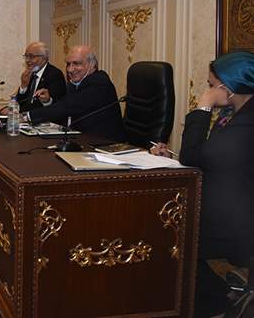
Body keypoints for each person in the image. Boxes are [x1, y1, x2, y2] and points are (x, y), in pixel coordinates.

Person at [151, 51, 254, 317]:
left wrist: (203, 106)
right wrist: (170, 157)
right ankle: (222, 294)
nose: (208, 90)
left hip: (239, 221)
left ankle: (217, 304)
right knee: (165, 227)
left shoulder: (247, 121)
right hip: (225, 203)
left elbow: (194, 156)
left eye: (211, 85)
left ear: (228, 87)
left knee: (171, 238)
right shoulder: (232, 114)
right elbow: (204, 158)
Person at [27, 45, 126, 142]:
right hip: (81, 139)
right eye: (68, 64)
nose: (70, 69)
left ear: (91, 65)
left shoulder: (99, 81)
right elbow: (65, 108)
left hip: (104, 144)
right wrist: (48, 102)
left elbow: (68, 106)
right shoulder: (75, 83)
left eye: (76, 63)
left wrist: (29, 116)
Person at [16, 41, 67, 113]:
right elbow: (22, 103)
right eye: (26, 56)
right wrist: (23, 87)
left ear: (43, 58)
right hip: (27, 118)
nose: (27, 60)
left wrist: (28, 115)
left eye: (31, 56)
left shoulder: (55, 75)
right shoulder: (30, 74)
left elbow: (56, 105)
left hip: (46, 118)